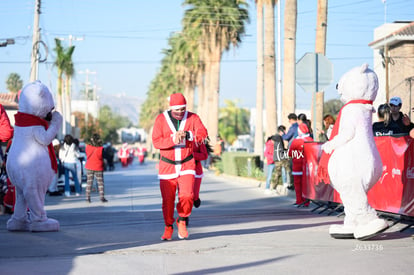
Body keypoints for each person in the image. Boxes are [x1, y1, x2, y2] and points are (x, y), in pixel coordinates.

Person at [152, 92, 208, 240]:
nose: (180, 113)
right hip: (167, 167)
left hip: (187, 164)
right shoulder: (161, 119)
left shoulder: (193, 117)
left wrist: (189, 135)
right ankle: (168, 226)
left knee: (187, 196)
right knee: (168, 200)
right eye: (177, 110)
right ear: (171, 108)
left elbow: (203, 133)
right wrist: (173, 139)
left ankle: (182, 220)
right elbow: (156, 142)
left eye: (183, 109)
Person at [289, 123, 313, 206]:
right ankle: (307, 202)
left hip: (297, 166)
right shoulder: (310, 140)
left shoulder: (296, 141)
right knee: (307, 184)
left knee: (298, 184)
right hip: (308, 166)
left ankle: (299, 201)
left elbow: (290, 154)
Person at [85, 133, 108, 203]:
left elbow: (87, 154)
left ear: (92, 139)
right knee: (100, 183)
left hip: (89, 166)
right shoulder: (101, 149)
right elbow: (104, 156)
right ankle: (102, 198)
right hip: (98, 167)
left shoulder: (87, 147)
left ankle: (87, 198)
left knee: (89, 183)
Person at [193, 139, 211, 208]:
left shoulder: (198, 139)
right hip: (181, 170)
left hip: (196, 170)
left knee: (194, 195)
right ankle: (183, 215)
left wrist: (191, 155)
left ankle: (195, 199)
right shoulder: (178, 135)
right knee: (183, 195)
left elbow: (204, 155)